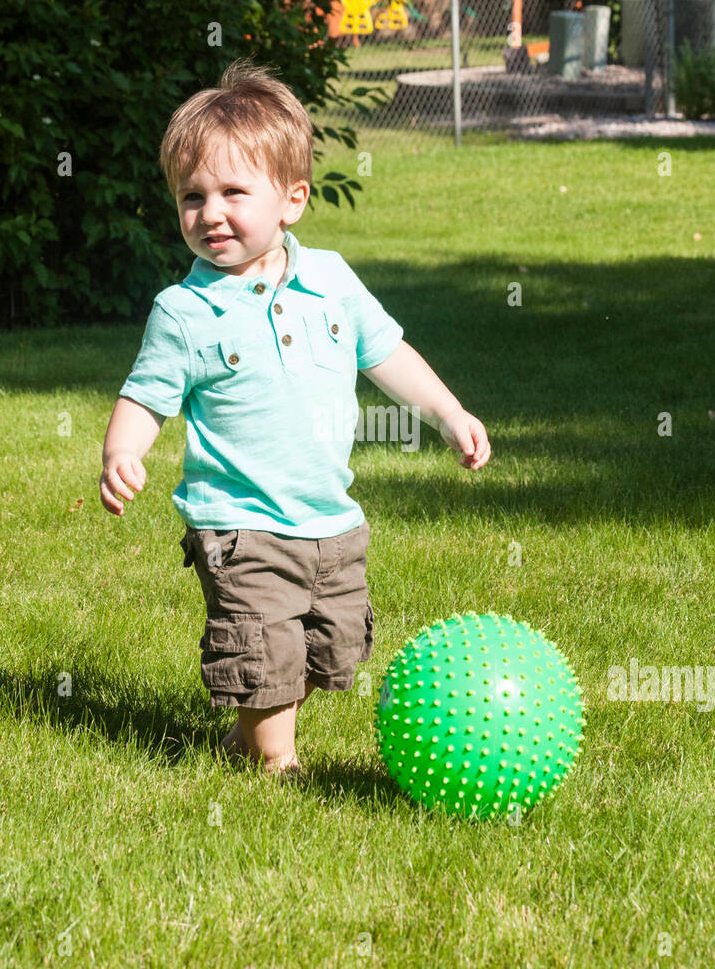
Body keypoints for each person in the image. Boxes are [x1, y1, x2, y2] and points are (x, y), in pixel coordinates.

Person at [99, 60, 490, 778]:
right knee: (261, 644)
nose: (209, 213)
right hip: (239, 523)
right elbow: (146, 395)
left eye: (231, 193)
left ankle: (246, 737)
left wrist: (446, 411)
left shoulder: (332, 281)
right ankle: (275, 766)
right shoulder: (183, 312)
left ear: (292, 199)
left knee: (327, 647)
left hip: (330, 519)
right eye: (192, 197)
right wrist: (123, 451)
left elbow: (388, 354)